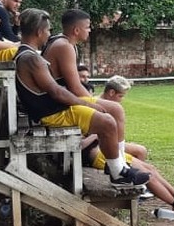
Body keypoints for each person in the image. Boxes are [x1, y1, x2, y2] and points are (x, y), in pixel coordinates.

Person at [13, 8, 148, 186]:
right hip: (50, 114)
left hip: (53, 109)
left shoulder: (28, 55)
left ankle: (118, 167)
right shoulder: (31, 59)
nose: (49, 34)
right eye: (47, 30)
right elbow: (57, 91)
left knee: (110, 115)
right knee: (107, 122)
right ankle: (118, 172)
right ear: (39, 32)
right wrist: (87, 104)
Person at [86, 76, 174, 213]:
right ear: (112, 93)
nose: (122, 100)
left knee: (150, 168)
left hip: (106, 150)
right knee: (147, 173)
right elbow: (88, 137)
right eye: (121, 96)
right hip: (101, 153)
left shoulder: (100, 106)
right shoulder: (97, 107)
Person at [42, 9, 129, 158]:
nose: (90, 30)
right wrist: (93, 103)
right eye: (87, 27)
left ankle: (118, 160)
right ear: (76, 30)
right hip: (56, 104)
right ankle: (119, 162)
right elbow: (75, 87)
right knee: (116, 109)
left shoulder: (65, 43)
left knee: (112, 109)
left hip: (59, 100)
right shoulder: (64, 46)